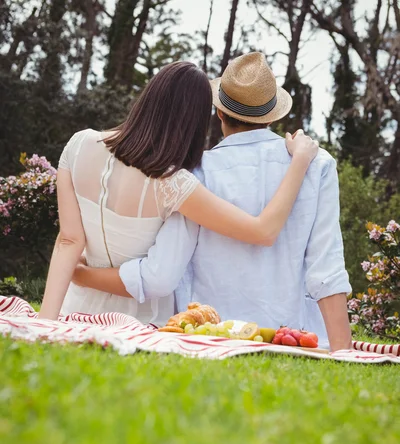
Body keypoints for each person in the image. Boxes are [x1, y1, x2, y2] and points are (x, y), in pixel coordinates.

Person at [72, 53, 352, 351]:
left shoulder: (195, 173)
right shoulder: (315, 163)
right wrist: (344, 352)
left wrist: (80, 273)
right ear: (272, 115)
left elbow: (159, 275)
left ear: (219, 112)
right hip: (291, 338)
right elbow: (326, 268)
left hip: (207, 337)